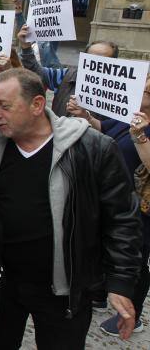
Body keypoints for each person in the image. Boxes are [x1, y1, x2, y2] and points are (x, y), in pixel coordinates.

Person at [0, 68, 142, 347]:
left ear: (37, 105)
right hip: (4, 283)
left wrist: (120, 283)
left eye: (4, 106)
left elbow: (122, 219)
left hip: (65, 293)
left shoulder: (94, 148)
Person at [68, 74, 150, 337]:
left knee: (136, 255)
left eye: (147, 86)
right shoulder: (129, 112)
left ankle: (130, 312)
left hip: (142, 205)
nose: (142, 86)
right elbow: (106, 130)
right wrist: (87, 116)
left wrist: (140, 137)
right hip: (115, 193)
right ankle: (102, 291)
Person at [16, 23, 119, 117]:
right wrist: (26, 47)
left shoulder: (118, 92)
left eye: (102, 60)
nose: (96, 64)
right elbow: (37, 72)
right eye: (91, 58)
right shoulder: (65, 75)